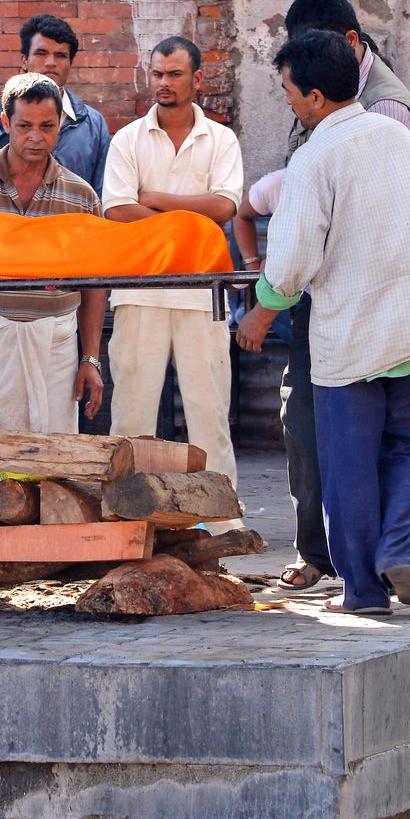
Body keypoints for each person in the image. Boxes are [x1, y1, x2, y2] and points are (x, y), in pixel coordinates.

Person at [236, 32, 410, 615]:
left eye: (287, 90)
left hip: (351, 339)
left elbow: (291, 263)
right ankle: (401, 548)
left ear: (313, 96)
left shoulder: (314, 157)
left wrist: (260, 307)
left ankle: (362, 590)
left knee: (349, 466)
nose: (286, 100)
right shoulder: (400, 138)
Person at [100, 36, 245, 488]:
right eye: (158, 73)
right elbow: (117, 211)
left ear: (197, 79)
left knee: (209, 416)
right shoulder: (128, 139)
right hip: (138, 290)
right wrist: (190, 227)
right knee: (132, 415)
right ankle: (126, 515)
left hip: (204, 295)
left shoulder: (220, 139)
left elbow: (224, 207)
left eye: (174, 74)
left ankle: (223, 522)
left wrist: (159, 200)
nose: (163, 83)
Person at [0, 72, 107, 432]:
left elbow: (95, 286)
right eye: (24, 125)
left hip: (58, 345)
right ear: (6, 123)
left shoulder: (82, 197)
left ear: (60, 123)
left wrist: (91, 358)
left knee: (54, 458)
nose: (35, 137)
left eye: (47, 126)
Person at [18, 13, 111, 194]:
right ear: (24, 60)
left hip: (75, 220)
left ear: (70, 63)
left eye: (60, 55)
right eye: (41, 53)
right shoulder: (0, 119)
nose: (51, 62)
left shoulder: (92, 124)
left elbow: (101, 194)